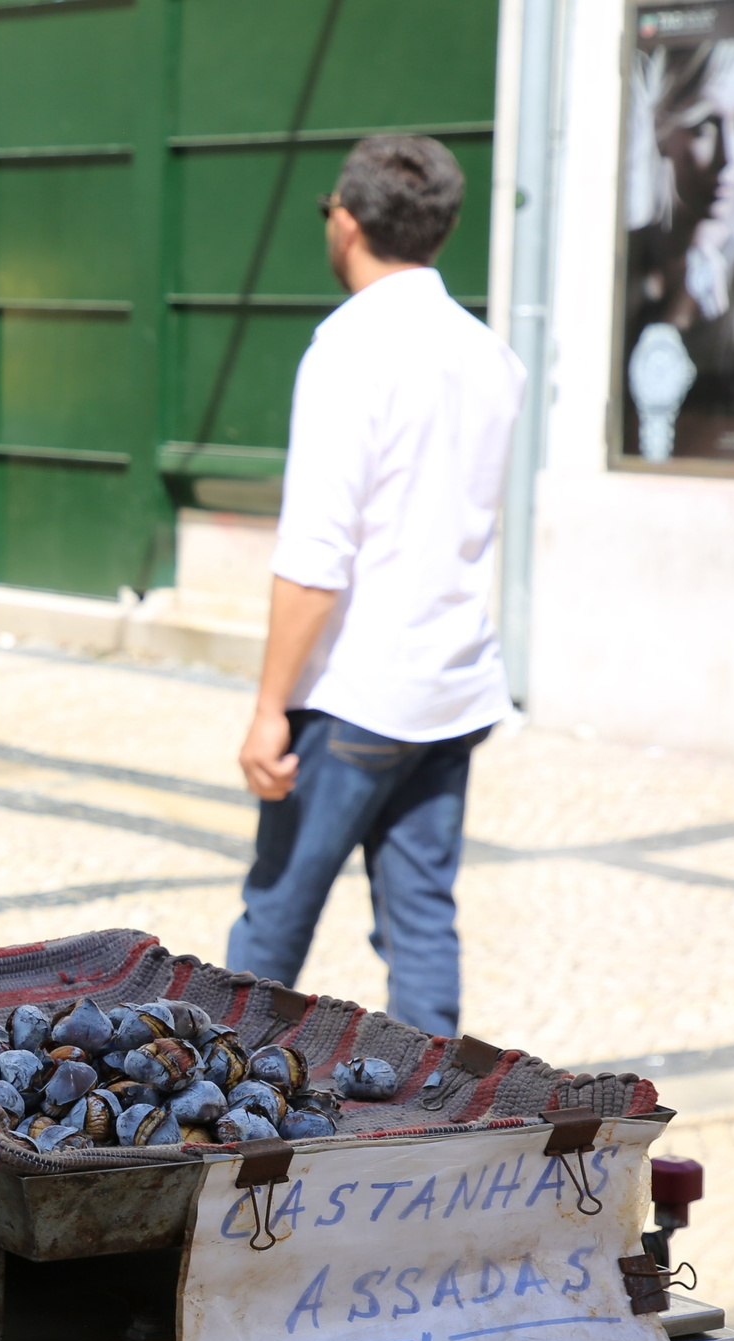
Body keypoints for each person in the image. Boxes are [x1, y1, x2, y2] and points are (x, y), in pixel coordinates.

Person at [225, 135, 523, 1041]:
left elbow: (317, 554)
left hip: (355, 691)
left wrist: (269, 707)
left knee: (271, 928)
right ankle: (437, 1108)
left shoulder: (349, 347)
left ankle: (213, 1107)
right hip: (451, 682)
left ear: (347, 222)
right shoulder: (488, 354)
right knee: (421, 925)